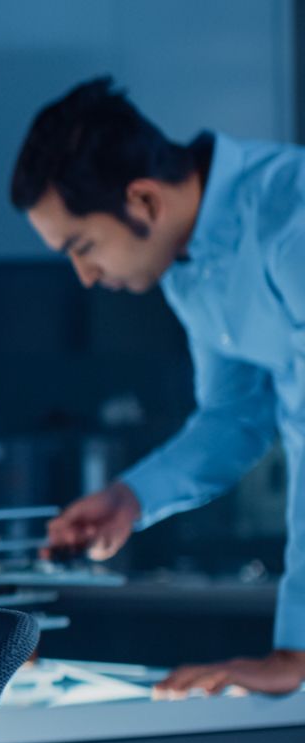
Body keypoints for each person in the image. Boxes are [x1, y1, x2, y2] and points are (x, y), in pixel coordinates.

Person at [15, 77, 305, 697]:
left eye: (83, 246)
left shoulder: (292, 216)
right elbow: (236, 417)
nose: (85, 276)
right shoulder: (187, 266)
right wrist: (132, 497)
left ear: (143, 201)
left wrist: (297, 650)